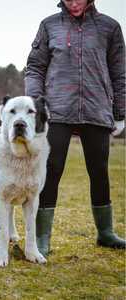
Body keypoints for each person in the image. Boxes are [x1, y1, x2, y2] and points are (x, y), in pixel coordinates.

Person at [25, 0, 125, 256]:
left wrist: (121, 112)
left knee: (99, 171)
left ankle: (105, 233)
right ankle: (41, 239)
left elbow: (120, 72)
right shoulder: (49, 26)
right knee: (51, 169)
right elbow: (35, 68)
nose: (74, 3)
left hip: (96, 108)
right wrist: (36, 103)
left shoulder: (109, 28)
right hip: (57, 110)